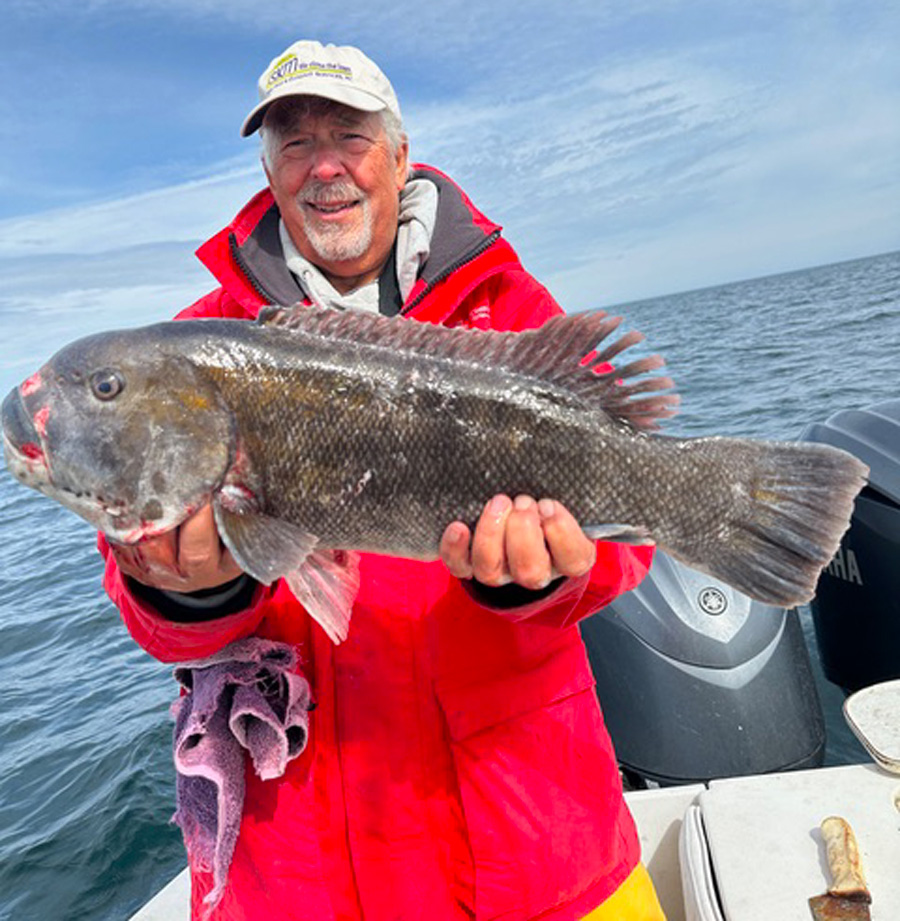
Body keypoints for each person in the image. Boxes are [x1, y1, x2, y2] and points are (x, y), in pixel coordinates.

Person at [100, 40, 665, 921]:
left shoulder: (507, 305)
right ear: (268, 168)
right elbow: (149, 600)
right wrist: (189, 588)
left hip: (536, 847)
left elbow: (628, 543)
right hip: (309, 876)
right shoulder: (198, 344)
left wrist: (548, 575)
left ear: (399, 155)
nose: (324, 167)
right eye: (293, 143)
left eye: (349, 136)